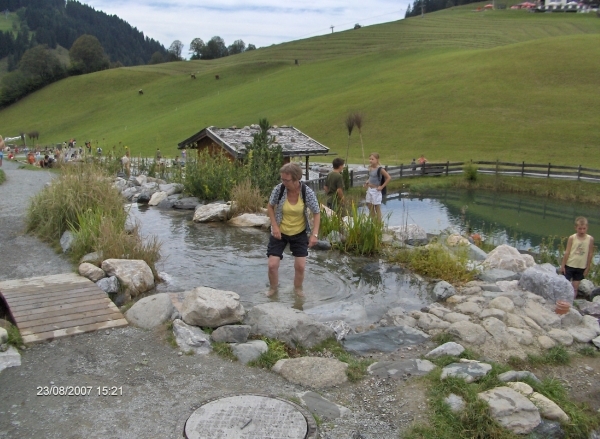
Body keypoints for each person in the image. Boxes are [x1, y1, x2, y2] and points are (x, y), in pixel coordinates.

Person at [266, 162, 321, 297]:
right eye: (282, 179)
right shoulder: (279, 190)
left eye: (287, 180)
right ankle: (273, 289)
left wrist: (314, 234)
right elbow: (270, 207)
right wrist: (275, 226)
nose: (284, 182)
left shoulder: (306, 192)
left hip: (299, 232)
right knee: (272, 265)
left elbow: (317, 212)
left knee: (300, 266)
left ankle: (297, 289)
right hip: (280, 232)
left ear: (296, 179)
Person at [561, 217, 594, 298]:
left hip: (581, 267)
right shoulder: (572, 238)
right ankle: (561, 299)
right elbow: (567, 252)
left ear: (587, 228)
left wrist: (587, 267)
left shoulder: (590, 239)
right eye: (580, 229)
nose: (582, 231)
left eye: (584, 229)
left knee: (575, 287)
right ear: (575, 228)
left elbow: (590, 253)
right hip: (570, 265)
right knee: (564, 284)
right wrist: (563, 265)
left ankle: (571, 302)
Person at [363, 153, 391, 221]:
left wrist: (381, 187)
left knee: (376, 207)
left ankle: (378, 222)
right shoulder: (370, 168)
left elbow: (388, 178)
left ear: (377, 160)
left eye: (372, 159)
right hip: (370, 188)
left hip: (376, 190)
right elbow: (371, 177)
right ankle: (373, 219)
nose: (370, 160)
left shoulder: (380, 169)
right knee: (369, 204)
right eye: (370, 159)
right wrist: (367, 181)